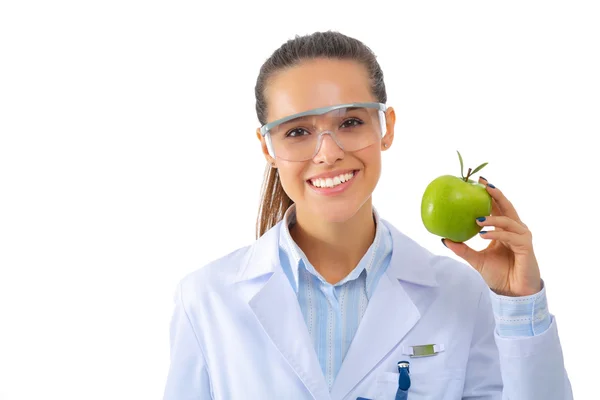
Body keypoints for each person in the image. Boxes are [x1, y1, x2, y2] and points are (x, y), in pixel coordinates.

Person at [163, 31, 573, 400]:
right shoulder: (206, 299)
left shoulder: (460, 294)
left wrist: (520, 306)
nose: (328, 152)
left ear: (386, 126)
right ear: (267, 147)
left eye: (351, 122)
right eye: (298, 131)